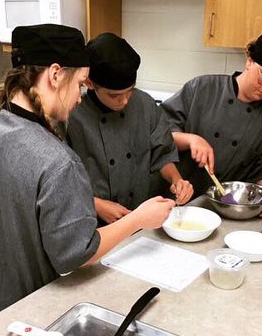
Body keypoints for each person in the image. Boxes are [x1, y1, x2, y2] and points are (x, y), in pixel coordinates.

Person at [0, 24, 174, 331]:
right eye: (81, 83)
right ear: (55, 75)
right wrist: (139, 219)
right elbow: (77, 252)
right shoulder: (56, 161)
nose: (82, 97)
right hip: (30, 316)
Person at [161, 31, 262, 219]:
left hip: (229, 212)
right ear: (249, 61)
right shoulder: (201, 89)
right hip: (175, 201)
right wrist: (190, 139)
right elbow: (157, 136)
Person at [66, 33, 195, 221]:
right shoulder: (72, 115)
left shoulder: (144, 105)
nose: (125, 101)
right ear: (89, 83)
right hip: (91, 221)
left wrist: (177, 180)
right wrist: (97, 205)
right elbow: (63, 183)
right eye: (114, 95)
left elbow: (162, 154)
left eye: (130, 91)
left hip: (139, 217)